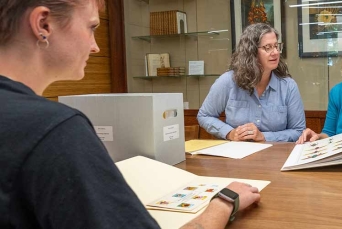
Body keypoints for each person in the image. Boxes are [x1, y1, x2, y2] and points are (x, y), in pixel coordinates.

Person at [0, 1, 259, 228]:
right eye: (92, 27)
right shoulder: (57, 130)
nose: (95, 47)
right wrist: (225, 201)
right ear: (43, 24)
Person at [198, 23, 305, 142]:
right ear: (252, 52)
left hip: (274, 157)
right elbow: (205, 116)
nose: (275, 52)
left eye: (276, 46)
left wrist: (264, 137)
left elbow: (298, 131)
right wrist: (229, 133)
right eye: (267, 47)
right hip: (235, 156)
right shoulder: (228, 81)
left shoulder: (288, 86)